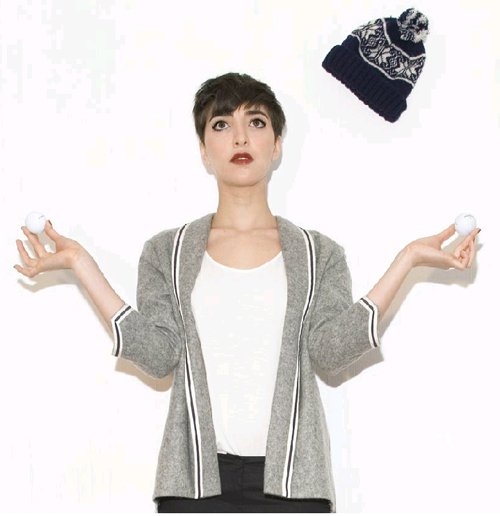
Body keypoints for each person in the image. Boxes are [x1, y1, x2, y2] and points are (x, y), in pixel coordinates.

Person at [14, 72, 480, 513]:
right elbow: (158, 357)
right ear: (204, 150)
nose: (240, 137)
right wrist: (82, 265)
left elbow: (330, 352)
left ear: (276, 145)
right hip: (194, 485)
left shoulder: (318, 254)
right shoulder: (166, 253)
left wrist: (407, 260)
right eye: (222, 124)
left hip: (294, 484)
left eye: (255, 122)